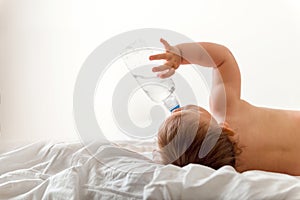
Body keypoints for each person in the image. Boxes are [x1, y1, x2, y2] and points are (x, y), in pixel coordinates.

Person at [149, 38, 300, 176]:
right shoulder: (226, 110)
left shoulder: (234, 169)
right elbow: (222, 59)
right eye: (183, 114)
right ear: (224, 128)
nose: (176, 110)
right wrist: (181, 54)